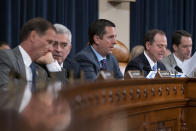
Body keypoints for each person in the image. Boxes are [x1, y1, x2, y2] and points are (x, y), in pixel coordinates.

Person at [0, 17, 65, 88]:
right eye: (49, 42)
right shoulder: (5, 57)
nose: (51, 49)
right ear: (33, 36)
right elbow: (4, 94)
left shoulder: (40, 71)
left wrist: (52, 64)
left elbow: (61, 91)